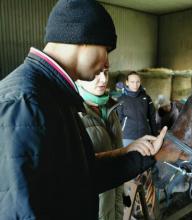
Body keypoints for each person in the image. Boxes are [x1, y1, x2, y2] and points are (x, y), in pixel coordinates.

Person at [0, 0, 167, 219]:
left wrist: (134, 155)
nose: (107, 64)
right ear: (84, 39)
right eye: (106, 50)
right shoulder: (26, 101)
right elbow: (19, 211)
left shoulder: (54, 95)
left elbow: (79, 177)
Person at [77, 71, 156, 219]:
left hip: (115, 201)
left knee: (143, 177)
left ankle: (141, 208)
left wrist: (123, 192)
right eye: (94, 73)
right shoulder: (72, 113)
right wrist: (125, 151)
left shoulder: (111, 107)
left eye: (106, 73)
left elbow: (151, 117)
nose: (103, 79)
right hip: (95, 204)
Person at [117, 71, 158, 147]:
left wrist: (155, 135)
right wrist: (116, 138)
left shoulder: (146, 98)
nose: (135, 85)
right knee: (128, 158)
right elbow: (118, 120)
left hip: (144, 136)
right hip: (127, 137)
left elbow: (152, 118)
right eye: (132, 82)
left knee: (144, 158)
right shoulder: (121, 99)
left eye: (137, 82)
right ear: (127, 82)